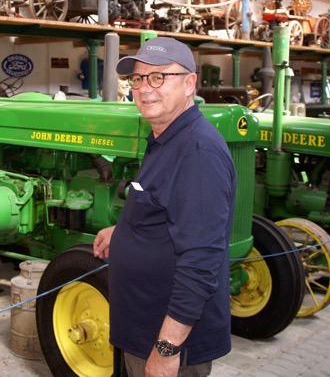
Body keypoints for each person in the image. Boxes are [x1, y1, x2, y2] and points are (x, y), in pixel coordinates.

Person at [93, 37, 236, 376]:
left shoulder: (197, 152)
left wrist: (167, 349)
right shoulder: (165, 137)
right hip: (142, 329)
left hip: (168, 343)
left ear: (189, 84)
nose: (144, 88)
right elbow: (164, 209)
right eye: (138, 78)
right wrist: (124, 233)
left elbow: (201, 262)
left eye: (159, 77)